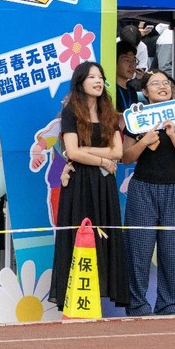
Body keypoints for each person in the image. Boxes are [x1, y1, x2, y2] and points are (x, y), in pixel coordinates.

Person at [49, 61, 128, 312]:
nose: (98, 81)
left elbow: (118, 151)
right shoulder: (71, 111)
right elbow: (73, 152)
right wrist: (102, 160)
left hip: (104, 184)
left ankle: (99, 293)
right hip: (80, 183)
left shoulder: (109, 112)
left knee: (104, 235)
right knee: (79, 236)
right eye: (92, 77)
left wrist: (88, 151)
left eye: (100, 77)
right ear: (80, 81)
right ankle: (74, 297)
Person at [121, 70, 175, 316]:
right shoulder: (136, 117)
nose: (163, 86)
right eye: (155, 84)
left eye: (166, 83)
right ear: (145, 92)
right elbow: (126, 158)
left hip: (172, 189)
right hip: (142, 188)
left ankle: (170, 304)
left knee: (173, 249)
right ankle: (137, 305)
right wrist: (144, 141)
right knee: (138, 249)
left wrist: (172, 134)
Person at [115, 40, 139, 114]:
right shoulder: (110, 89)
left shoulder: (132, 90)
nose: (132, 65)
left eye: (134, 61)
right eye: (127, 60)